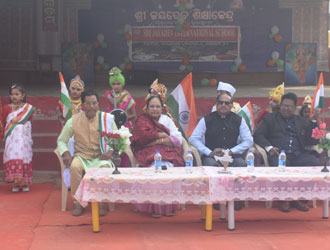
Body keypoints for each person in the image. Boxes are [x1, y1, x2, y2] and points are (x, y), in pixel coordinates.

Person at [254, 92, 321, 213]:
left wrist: (315, 121)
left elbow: (313, 140)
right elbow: (258, 135)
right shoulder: (270, 118)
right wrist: (269, 148)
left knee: (315, 165)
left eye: (289, 106)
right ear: (280, 106)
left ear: (294, 108)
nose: (285, 108)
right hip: (279, 154)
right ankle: (284, 199)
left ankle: (301, 198)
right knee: (281, 166)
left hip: (298, 154)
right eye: (283, 105)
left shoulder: (302, 121)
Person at [57, 90, 118, 217]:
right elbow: (62, 140)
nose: (91, 106)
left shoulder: (106, 119)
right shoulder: (73, 121)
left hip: (101, 156)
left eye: (94, 103)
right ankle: (79, 203)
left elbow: (117, 139)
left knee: (105, 167)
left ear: (98, 104)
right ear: (82, 105)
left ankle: (101, 203)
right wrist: (66, 153)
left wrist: (110, 151)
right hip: (82, 156)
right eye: (88, 103)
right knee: (74, 167)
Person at [190, 93, 253, 210]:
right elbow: (193, 138)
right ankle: (217, 199)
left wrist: (231, 151)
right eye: (221, 103)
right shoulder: (207, 119)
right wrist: (209, 152)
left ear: (231, 106)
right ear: (216, 104)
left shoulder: (238, 120)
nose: (223, 105)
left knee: (241, 164)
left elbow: (249, 140)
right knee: (210, 165)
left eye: (227, 103)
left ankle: (236, 199)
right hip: (212, 157)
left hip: (232, 157)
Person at [131, 95, 185, 217]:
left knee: (169, 170)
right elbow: (141, 140)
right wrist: (163, 136)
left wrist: (156, 140)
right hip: (148, 153)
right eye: (152, 106)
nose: (155, 109)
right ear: (147, 108)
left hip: (167, 152)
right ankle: (154, 208)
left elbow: (177, 139)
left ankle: (169, 206)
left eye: (158, 106)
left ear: (162, 108)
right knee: (154, 171)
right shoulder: (142, 121)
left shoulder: (167, 120)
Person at [3, 84, 35, 192]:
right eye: (12, 94)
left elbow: (29, 121)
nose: (14, 97)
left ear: (23, 95)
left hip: (23, 139)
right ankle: (15, 184)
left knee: (24, 157)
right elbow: (4, 121)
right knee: (13, 156)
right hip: (12, 139)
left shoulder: (28, 108)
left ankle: (25, 183)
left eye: (17, 94)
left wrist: (20, 126)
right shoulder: (7, 108)